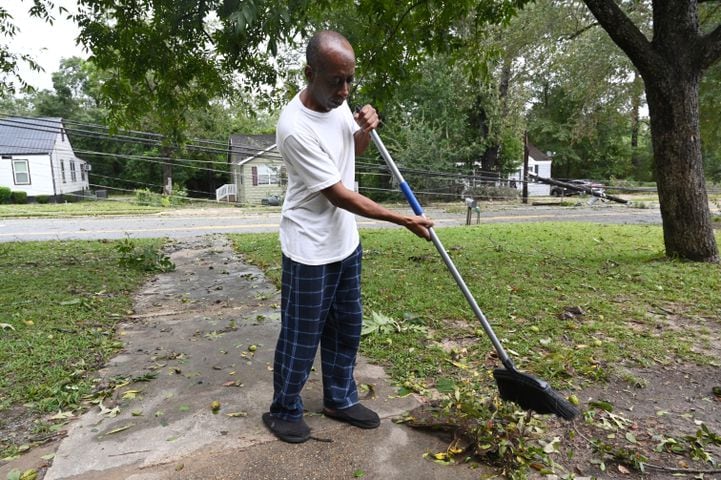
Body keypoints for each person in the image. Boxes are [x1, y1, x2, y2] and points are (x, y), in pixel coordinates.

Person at [262, 30, 434, 443]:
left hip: (344, 242)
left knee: (347, 326)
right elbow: (338, 194)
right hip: (309, 247)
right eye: (335, 80)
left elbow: (346, 156)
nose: (344, 90)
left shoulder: (337, 104)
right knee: (302, 335)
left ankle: (339, 398)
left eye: (349, 79)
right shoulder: (293, 127)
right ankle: (284, 408)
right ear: (310, 73)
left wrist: (364, 131)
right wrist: (401, 219)